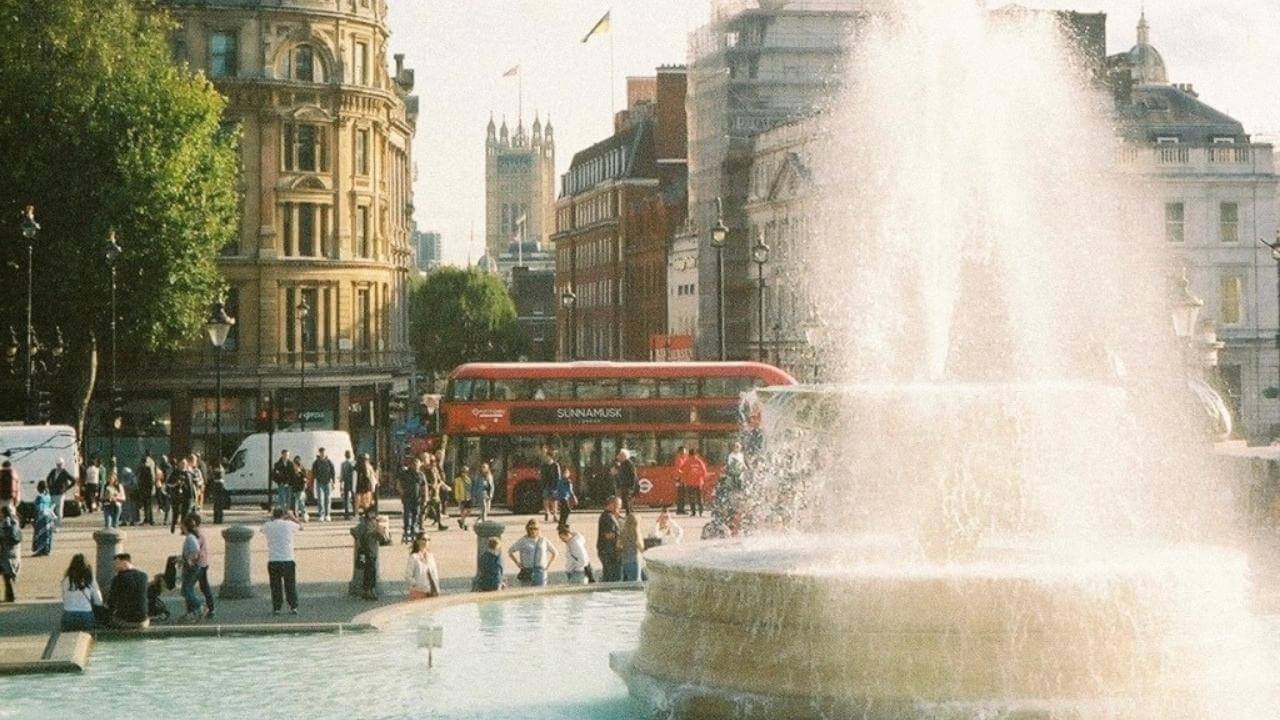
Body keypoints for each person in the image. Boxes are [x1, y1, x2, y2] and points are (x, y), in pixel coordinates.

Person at [261, 507, 301, 615]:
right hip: (288, 559)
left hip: (273, 559)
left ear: (273, 515)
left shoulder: (268, 525)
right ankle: (293, 606)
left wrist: (271, 518)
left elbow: (262, 529)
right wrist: (292, 516)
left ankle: (277, 607)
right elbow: (300, 526)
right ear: (283, 515)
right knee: (290, 584)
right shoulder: (289, 524)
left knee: (275, 585)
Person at [508, 519, 557, 587]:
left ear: (539, 529)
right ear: (528, 529)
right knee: (526, 593)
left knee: (540, 593)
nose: (533, 531)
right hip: (527, 570)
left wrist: (548, 566)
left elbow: (555, 553)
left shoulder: (543, 540)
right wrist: (517, 563)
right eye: (531, 528)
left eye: (535, 528)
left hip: (540, 571)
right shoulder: (523, 540)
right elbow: (510, 551)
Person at [106, 553, 150, 628]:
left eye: (116, 563)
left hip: (125, 621)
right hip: (143, 622)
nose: (114, 567)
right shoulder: (144, 576)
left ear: (124, 563)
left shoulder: (118, 578)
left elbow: (111, 602)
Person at [184, 513, 215, 620]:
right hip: (203, 563)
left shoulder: (195, 534)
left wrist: (188, 560)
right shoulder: (199, 533)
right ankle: (210, 608)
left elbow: (195, 550)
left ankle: (195, 609)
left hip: (198, 564)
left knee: (188, 588)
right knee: (204, 586)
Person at [60, 554, 101, 630]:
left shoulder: (66, 580)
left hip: (68, 614)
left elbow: (64, 598)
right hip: (86, 614)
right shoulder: (90, 579)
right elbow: (98, 600)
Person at [355, 507, 389, 600]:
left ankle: (371, 589)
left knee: (372, 571)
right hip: (365, 551)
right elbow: (355, 532)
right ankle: (367, 590)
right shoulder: (364, 524)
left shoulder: (375, 523)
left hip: (373, 551)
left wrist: (381, 532)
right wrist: (369, 533)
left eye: (374, 513)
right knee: (367, 571)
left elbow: (382, 540)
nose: (372, 515)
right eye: (370, 513)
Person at [405, 535, 440, 599]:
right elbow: (408, 575)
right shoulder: (414, 557)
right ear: (418, 541)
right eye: (424, 539)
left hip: (431, 590)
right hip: (419, 591)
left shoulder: (430, 556)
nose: (426, 541)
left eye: (428, 539)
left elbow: (434, 572)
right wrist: (416, 585)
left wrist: (437, 587)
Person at [597, 496, 623, 582]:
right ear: (611, 504)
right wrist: (621, 537)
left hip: (606, 551)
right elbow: (608, 535)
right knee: (613, 578)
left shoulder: (608, 516)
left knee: (608, 576)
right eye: (618, 505)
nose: (620, 508)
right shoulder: (608, 517)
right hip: (609, 552)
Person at [168, 458, 196, 534]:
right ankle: (173, 525)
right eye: (182, 463)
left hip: (187, 496)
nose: (183, 465)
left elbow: (194, 483)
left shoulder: (189, 473)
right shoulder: (175, 472)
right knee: (176, 513)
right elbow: (169, 483)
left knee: (185, 513)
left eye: (184, 463)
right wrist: (176, 483)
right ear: (179, 464)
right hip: (177, 496)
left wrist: (193, 495)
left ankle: (183, 529)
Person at [397, 458, 422, 542]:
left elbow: (423, 485)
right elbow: (398, 483)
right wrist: (401, 492)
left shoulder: (420, 474)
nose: (416, 466)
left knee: (416, 513)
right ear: (411, 465)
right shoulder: (405, 473)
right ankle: (407, 528)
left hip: (417, 498)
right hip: (407, 497)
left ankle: (413, 528)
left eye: (417, 464)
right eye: (414, 464)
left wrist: (425, 497)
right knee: (407, 514)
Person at [46, 459, 74, 530]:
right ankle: (53, 524)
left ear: (63, 464)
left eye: (60, 464)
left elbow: (73, 480)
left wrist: (66, 488)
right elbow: (48, 479)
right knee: (52, 509)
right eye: (58, 464)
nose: (59, 466)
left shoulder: (64, 472)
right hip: (52, 493)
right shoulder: (53, 471)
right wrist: (49, 487)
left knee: (59, 510)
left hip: (60, 494)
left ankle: (59, 525)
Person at [0, 505, 20, 602]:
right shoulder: (16, 522)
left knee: (7, 576)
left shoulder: (4, 524)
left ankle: (11, 596)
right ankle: (10, 595)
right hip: (15, 552)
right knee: (10, 575)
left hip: (5, 553)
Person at [681, 449, 708, 517]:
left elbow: (683, 471)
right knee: (699, 498)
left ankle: (693, 512)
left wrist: (684, 480)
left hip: (690, 483)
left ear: (689, 454)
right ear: (696, 454)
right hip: (699, 483)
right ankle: (701, 512)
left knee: (691, 498)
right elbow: (704, 471)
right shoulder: (699, 461)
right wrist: (702, 479)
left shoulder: (687, 461)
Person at [311, 448, 336, 522]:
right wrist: (316, 477)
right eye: (321, 452)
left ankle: (327, 514)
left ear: (325, 453)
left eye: (323, 452)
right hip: (319, 483)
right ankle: (321, 514)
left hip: (328, 482)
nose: (322, 454)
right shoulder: (316, 462)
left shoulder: (329, 462)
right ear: (319, 453)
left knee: (328, 499)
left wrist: (333, 482)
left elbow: (333, 472)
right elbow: (313, 472)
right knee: (320, 499)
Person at [539, 447, 563, 522]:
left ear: (550, 456)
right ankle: (547, 512)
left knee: (554, 500)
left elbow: (558, 476)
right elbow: (542, 476)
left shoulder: (555, 465)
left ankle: (555, 514)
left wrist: (557, 486)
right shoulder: (544, 465)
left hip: (554, 485)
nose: (546, 458)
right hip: (546, 485)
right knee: (546, 499)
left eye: (547, 456)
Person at [620, 512, 645, 582]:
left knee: (628, 582)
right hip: (634, 560)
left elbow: (618, 545)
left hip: (625, 560)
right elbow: (640, 547)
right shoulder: (636, 532)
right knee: (635, 583)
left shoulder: (623, 532)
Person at [31, 481, 54, 556]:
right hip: (49, 517)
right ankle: (47, 550)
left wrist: (34, 519)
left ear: (39, 488)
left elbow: (39, 509)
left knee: (41, 534)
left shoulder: (39, 497)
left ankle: (40, 550)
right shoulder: (48, 496)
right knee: (47, 534)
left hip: (41, 518)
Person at [614, 449, 637, 514]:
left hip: (627, 486)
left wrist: (631, 487)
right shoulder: (622, 463)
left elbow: (633, 475)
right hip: (623, 485)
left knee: (627, 501)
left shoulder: (629, 464)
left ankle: (629, 515)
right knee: (625, 501)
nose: (619, 457)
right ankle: (629, 514)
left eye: (620, 455)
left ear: (624, 456)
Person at [452, 465, 471, 530]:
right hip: (461, 497)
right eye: (463, 472)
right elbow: (456, 489)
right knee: (462, 511)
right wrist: (457, 498)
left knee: (468, 511)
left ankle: (461, 521)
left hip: (468, 497)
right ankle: (463, 524)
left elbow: (470, 488)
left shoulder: (468, 479)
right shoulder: (457, 480)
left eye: (466, 472)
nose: (465, 473)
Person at [289, 455, 307, 520]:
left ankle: (304, 515)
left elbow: (305, 478)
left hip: (300, 488)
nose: (295, 465)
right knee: (294, 503)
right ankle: (295, 516)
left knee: (301, 502)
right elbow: (290, 478)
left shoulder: (302, 470)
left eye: (297, 463)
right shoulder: (291, 470)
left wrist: (300, 472)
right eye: (295, 463)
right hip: (294, 488)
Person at [339, 450, 356, 520]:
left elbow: (342, 474)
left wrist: (341, 483)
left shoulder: (344, 464)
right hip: (351, 482)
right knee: (351, 498)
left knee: (349, 498)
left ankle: (349, 513)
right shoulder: (353, 463)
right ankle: (352, 513)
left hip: (349, 482)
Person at [673, 446, 689, 515]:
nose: (685, 453)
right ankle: (680, 509)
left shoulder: (682, 458)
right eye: (684, 451)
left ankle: (680, 509)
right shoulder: (679, 459)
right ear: (681, 452)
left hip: (681, 479)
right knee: (681, 495)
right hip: (680, 479)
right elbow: (678, 470)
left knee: (681, 495)